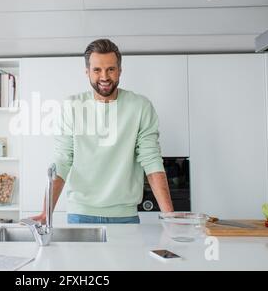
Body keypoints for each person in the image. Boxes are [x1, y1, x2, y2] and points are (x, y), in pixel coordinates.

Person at [32, 39, 173, 224]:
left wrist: (171, 217)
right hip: (80, 214)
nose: (104, 77)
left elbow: (151, 160)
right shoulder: (71, 106)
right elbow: (62, 160)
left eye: (111, 69)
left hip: (125, 216)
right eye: (97, 70)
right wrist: (46, 212)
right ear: (87, 72)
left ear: (120, 71)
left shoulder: (140, 106)